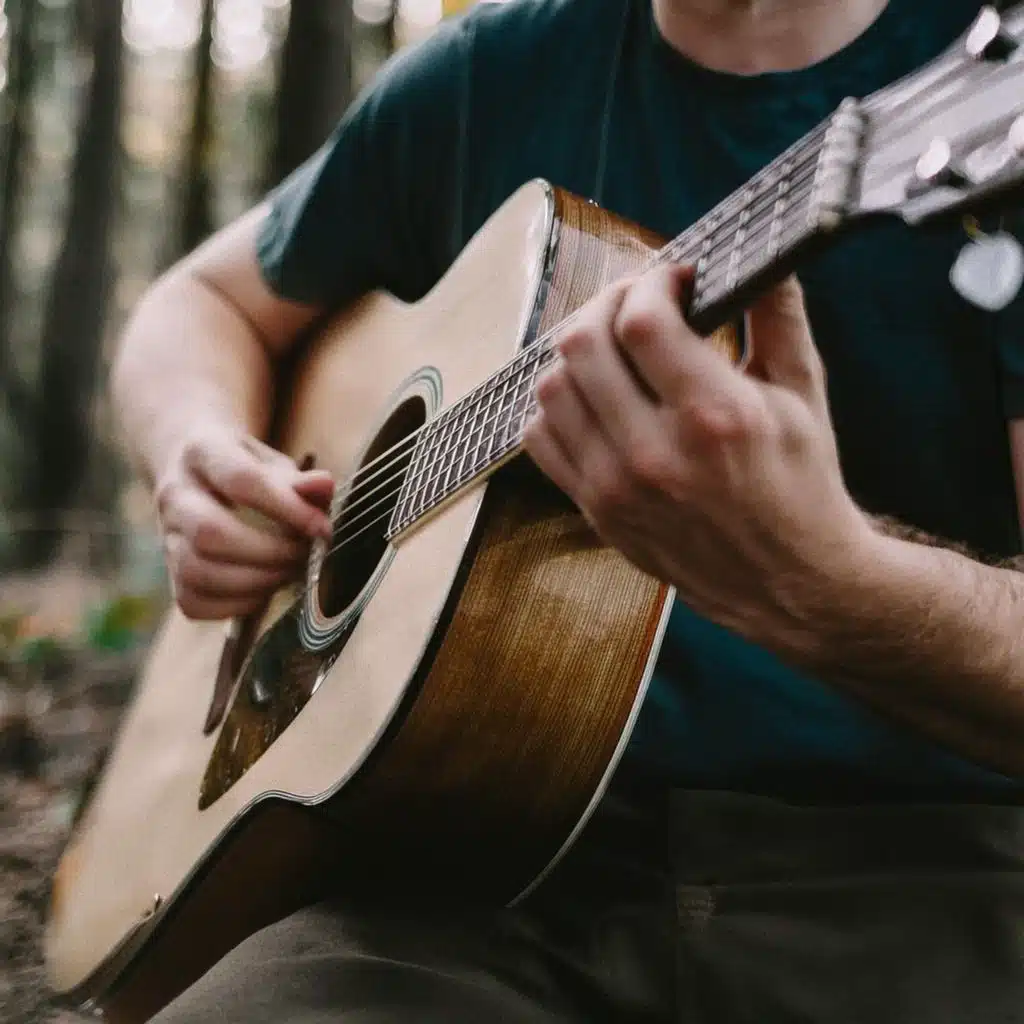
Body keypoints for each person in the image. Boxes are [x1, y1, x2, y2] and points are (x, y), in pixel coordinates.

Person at [111, 0, 1024, 1020]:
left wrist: (831, 584)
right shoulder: (483, 77)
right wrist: (195, 450)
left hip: (932, 882)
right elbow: (199, 301)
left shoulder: (979, 84)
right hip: (470, 898)